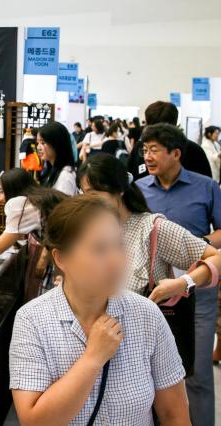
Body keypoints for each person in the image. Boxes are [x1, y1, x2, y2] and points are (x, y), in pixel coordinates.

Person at [9, 194, 189, 426]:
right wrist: (93, 358)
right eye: (100, 249)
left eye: (119, 245)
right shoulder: (32, 320)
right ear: (61, 258)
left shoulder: (146, 315)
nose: (116, 260)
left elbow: (175, 414)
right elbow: (34, 421)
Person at [78, 154, 221, 374]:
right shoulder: (90, 229)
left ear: (119, 190)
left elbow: (215, 257)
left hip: (144, 358)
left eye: (95, 194)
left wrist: (182, 283)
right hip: (96, 354)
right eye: (84, 194)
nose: (89, 201)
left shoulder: (152, 229)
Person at [137, 123, 221, 426]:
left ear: (175, 153)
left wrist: (197, 245)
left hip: (198, 289)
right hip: (154, 293)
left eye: (154, 149)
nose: (148, 156)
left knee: (196, 372)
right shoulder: (138, 189)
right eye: (145, 149)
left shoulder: (206, 187)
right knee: (151, 372)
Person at [128, 101, 212, 181]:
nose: (148, 157)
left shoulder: (192, 150)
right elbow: (130, 180)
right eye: (146, 151)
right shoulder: (140, 147)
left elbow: (205, 186)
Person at [37, 121, 77, 196]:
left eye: (42, 143)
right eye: (38, 143)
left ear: (57, 144)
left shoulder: (65, 176)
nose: (38, 147)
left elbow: (63, 206)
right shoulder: (51, 169)